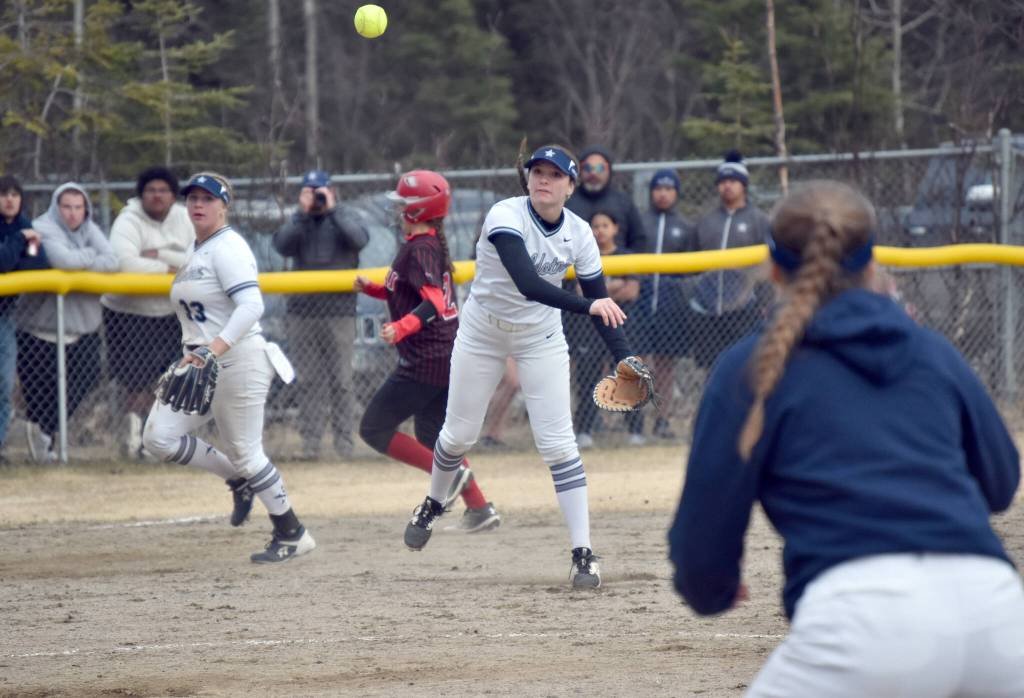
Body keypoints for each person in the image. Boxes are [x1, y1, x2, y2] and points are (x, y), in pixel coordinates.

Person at [668, 181, 1024, 696]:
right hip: (996, 613)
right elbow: (1000, 482)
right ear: (873, 264)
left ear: (772, 268)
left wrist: (713, 590)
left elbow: (702, 537)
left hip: (863, 621)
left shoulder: (752, 367)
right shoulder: (931, 351)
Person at [403, 144, 636, 589]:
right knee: (457, 435)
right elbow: (529, 285)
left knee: (559, 446)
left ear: (570, 186)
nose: (543, 179)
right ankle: (434, 502)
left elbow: (600, 302)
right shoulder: (505, 216)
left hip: (540, 338)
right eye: (537, 171)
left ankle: (583, 553)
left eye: (554, 174)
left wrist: (624, 356)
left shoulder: (580, 233)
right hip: (483, 334)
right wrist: (589, 307)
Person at [142, 172, 315, 564]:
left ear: (224, 206)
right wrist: (202, 354)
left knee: (246, 452)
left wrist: (213, 350)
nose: (198, 204)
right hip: (199, 361)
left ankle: (292, 532)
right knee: (158, 438)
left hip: (238, 358)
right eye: (192, 198)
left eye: (208, 198)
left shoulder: (228, 247)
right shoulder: (195, 249)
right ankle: (237, 481)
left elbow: (252, 306)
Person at [354, 170, 501, 533]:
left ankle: (451, 480)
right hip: (443, 355)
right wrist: (375, 289)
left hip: (427, 359)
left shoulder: (420, 248)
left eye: (404, 205)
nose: (399, 211)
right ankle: (479, 508)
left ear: (419, 210)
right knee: (434, 437)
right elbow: (410, 292)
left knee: (374, 427)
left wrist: (403, 327)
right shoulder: (427, 244)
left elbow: (434, 302)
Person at [17, 183, 119, 462]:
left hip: (81, 327)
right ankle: (43, 440)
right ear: (56, 207)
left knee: (85, 377)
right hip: (39, 327)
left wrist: (80, 260)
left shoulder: (91, 229)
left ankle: (46, 436)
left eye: (78, 207)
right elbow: (61, 260)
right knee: (42, 390)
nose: (73, 214)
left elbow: (113, 261)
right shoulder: (42, 227)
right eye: (67, 207)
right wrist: (88, 257)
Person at [272, 170, 369, 460]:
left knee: (341, 380)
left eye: (320, 190)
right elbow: (282, 246)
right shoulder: (297, 220)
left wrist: (332, 210)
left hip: (339, 311)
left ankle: (344, 446)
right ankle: (311, 445)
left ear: (332, 190)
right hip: (302, 311)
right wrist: (302, 214)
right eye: (309, 190)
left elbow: (359, 240)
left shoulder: (346, 216)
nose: (315, 195)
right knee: (309, 381)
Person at [100, 167, 194, 460]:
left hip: (169, 313)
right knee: (134, 383)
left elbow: (197, 259)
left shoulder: (185, 217)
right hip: (127, 313)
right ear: (141, 194)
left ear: (172, 194)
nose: (157, 196)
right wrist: (171, 268)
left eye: (163, 190)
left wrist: (160, 255)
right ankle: (134, 437)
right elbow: (125, 263)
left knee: (166, 380)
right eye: (151, 190)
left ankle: (155, 440)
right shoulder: (128, 220)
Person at [688, 151, 771, 369]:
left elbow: (769, 266)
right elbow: (692, 262)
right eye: (723, 181)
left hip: (744, 308)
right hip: (708, 308)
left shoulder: (759, 220)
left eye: (733, 181)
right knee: (711, 368)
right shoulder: (706, 220)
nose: (727, 186)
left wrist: (765, 301)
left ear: (743, 185)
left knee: (744, 366)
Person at [632, 169, 696, 440]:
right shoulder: (640, 222)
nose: (663, 193)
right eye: (658, 188)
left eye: (669, 189)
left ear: (676, 193)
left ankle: (662, 420)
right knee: (638, 364)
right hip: (641, 306)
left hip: (672, 307)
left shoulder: (686, 227)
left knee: (666, 367)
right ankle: (635, 423)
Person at [566, 211, 640, 449]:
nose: (600, 230)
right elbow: (580, 292)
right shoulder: (585, 253)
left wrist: (600, 295)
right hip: (589, 328)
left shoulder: (626, 256)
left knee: (628, 375)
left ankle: (636, 430)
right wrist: (615, 285)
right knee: (587, 377)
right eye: (595, 226)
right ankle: (584, 430)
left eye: (605, 225)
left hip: (622, 325)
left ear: (616, 228)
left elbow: (632, 291)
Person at [0, 175, 49, 460]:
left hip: (5, 316)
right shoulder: (22, 233)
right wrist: (18, 243)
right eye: (4, 194)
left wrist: (15, 247)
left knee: (4, 384)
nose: (9, 200)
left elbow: (37, 265)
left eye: (15, 195)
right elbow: (4, 261)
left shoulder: (24, 226)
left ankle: (1, 444)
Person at [566, 145, 647, 253]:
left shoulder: (623, 202)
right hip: (577, 267)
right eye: (588, 168)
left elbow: (639, 240)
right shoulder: (568, 202)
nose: (593, 173)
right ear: (580, 170)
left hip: (618, 267)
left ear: (609, 170)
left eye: (600, 168)